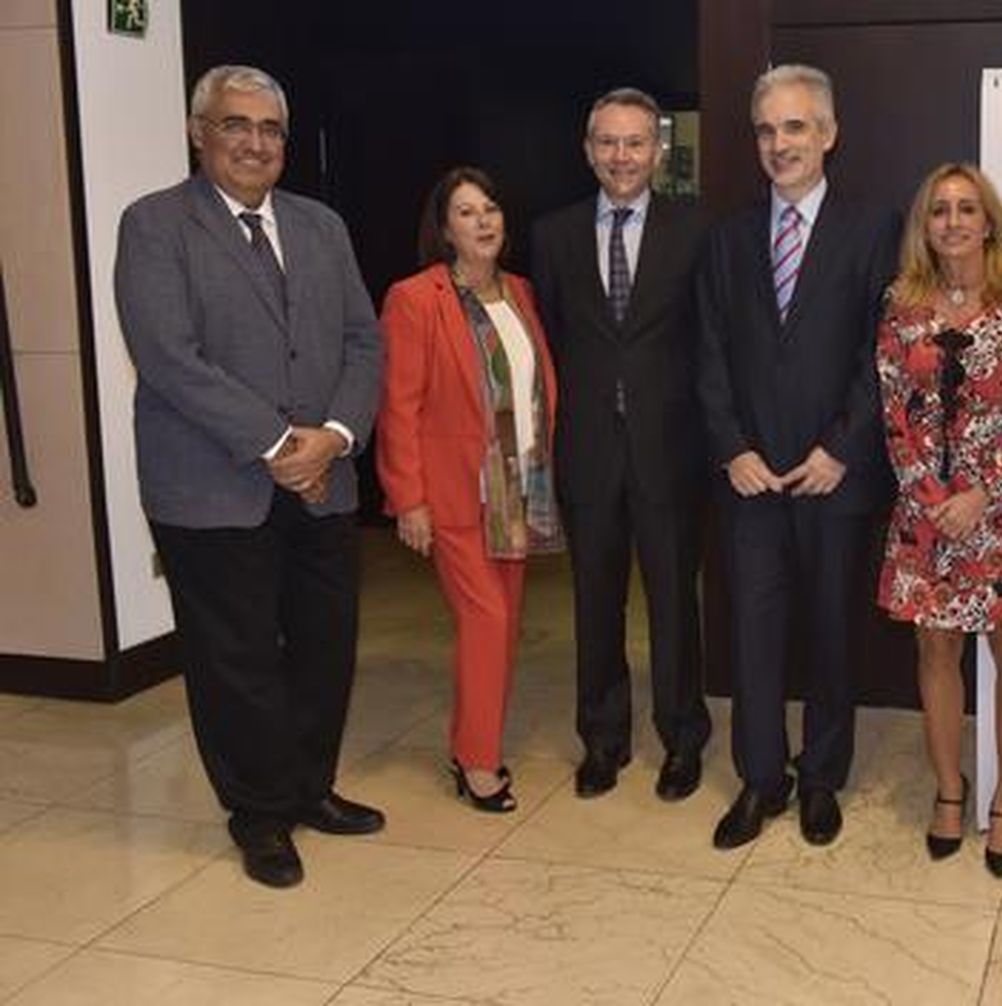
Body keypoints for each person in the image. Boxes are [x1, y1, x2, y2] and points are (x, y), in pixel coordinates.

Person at [113, 64, 385, 888]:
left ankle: (309, 789)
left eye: (270, 129)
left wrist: (334, 437)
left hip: (324, 483)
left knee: (322, 648)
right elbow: (167, 357)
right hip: (210, 488)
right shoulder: (156, 226)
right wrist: (277, 445)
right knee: (236, 660)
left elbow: (361, 344)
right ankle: (260, 814)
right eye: (237, 125)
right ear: (201, 132)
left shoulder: (321, 226)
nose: (255, 142)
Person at [697, 64, 900, 850]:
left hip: (832, 478)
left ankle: (821, 778)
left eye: (794, 127)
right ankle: (760, 780)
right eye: (766, 130)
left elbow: (881, 351)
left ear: (828, 134)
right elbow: (708, 354)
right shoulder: (726, 238)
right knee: (752, 633)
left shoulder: (874, 229)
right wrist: (732, 449)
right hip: (749, 481)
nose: (779, 144)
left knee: (829, 631)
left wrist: (841, 449)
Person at [876, 163, 1002, 877]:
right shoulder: (901, 303)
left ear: (989, 222)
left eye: (966, 209)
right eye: (939, 210)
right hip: (926, 514)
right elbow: (893, 411)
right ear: (924, 226)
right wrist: (931, 496)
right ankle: (950, 793)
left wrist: (982, 494)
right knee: (935, 652)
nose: (953, 221)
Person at [530, 88, 712, 802]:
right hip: (588, 454)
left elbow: (708, 343)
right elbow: (550, 341)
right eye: (607, 142)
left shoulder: (696, 232)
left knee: (675, 605)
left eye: (635, 142)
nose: (621, 156)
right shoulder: (554, 234)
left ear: (658, 151)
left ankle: (681, 740)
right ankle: (602, 741)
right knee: (595, 604)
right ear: (587, 149)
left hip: (671, 451)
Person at [378, 167, 560, 813]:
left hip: (518, 492)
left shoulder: (522, 293)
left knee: (504, 626)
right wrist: (409, 499)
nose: (483, 221)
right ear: (445, 228)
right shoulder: (415, 298)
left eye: (490, 208)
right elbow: (398, 404)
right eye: (465, 212)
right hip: (454, 494)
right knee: (485, 621)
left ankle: (472, 740)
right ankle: (477, 761)